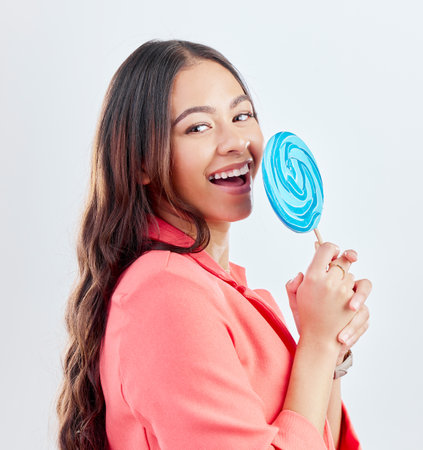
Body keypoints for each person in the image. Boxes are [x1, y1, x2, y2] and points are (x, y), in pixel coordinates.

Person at [57, 39, 371, 450]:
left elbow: (319, 441)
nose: (234, 142)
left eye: (242, 116)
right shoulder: (165, 294)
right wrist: (314, 343)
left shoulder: (220, 291)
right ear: (142, 164)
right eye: (198, 127)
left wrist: (330, 344)